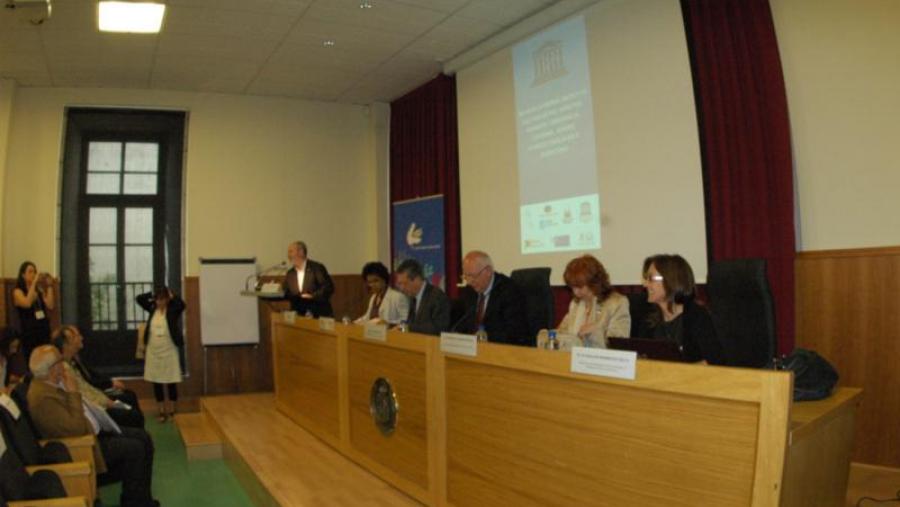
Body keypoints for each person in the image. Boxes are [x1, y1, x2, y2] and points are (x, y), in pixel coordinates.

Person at [27, 345, 159, 507]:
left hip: (93, 432)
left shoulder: (53, 382)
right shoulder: (42, 398)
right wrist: (73, 393)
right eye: (60, 361)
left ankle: (140, 500)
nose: (63, 365)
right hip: (84, 446)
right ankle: (134, 502)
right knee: (135, 449)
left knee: (143, 437)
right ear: (53, 368)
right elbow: (74, 429)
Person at [635, 254, 724, 364]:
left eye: (651, 278)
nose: (645, 284)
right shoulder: (648, 320)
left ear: (670, 280)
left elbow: (714, 361)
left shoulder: (697, 316)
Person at [52, 326, 144, 428]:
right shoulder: (65, 370)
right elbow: (86, 392)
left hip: (100, 398)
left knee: (131, 401)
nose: (81, 338)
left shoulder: (73, 360)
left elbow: (91, 378)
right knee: (133, 413)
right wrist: (110, 402)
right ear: (66, 345)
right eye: (77, 336)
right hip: (96, 408)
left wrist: (110, 384)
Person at [457, 251, 531, 346]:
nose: (470, 282)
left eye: (473, 276)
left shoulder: (509, 290)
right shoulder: (469, 291)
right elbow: (464, 323)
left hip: (503, 351)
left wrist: (483, 338)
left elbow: (514, 332)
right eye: (466, 276)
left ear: (488, 271)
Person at [557, 254, 631, 347]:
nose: (575, 292)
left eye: (580, 287)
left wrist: (597, 334)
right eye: (572, 287)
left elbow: (619, 343)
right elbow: (562, 332)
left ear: (594, 282)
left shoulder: (617, 303)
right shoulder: (575, 304)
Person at [136, 287, 185, 422]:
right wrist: (152, 293)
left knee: (171, 380)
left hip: (169, 350)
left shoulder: (173, 310)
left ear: (167, 299)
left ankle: (173, 410)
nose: (159, 302)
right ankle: (161, 410)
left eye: (162, 299)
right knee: (156, 381)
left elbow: (182, 305)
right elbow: (139, 299)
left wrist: (172, 294)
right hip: (153, 350)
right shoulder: (152, 308)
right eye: (157, 299)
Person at [12, 261, 55, 362]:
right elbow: (27, 303)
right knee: (32, 359)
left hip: (42, 328)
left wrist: (49, 286)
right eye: (30, 272)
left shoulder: (38, 289)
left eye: (35, 271)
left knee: (46, 359)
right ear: (23, 275)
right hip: (29, 331)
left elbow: (50, 305)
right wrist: (34, 282)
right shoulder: (18, 291)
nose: (33, 274)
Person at [394, 258, 450, 336]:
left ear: (416, 279)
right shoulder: (413, 297)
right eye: (399, 284)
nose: (401, 288)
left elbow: (439, 329)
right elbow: (410, 325)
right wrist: (400, 328)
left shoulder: (437, 296)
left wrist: (408, 328)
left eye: (404, 283)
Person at [282, 241, 335, 317]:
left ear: (301, 252)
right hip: (299, 315)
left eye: (291, 251)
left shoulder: (316, 268)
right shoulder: (290, 273)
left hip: (318, 313)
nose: (288, 255)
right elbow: (286, 292)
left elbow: (328, 287)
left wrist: (312, 296)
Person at [0, 329, 23, 393]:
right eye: (12, 347)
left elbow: (3, 379)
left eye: (16, 347)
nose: (15, 351)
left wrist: (18, 379)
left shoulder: (6, 359)